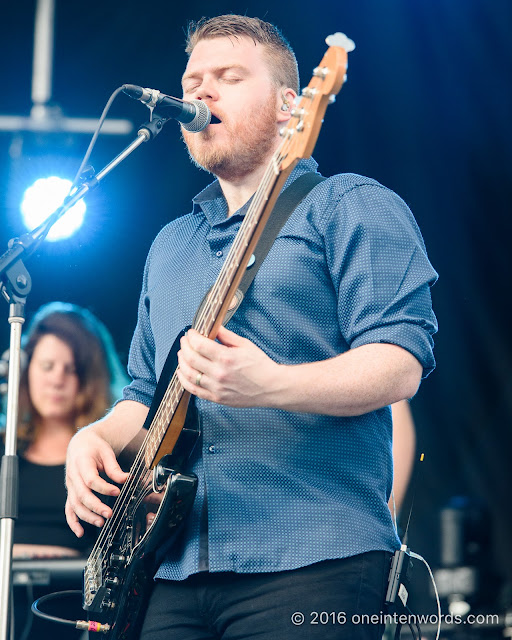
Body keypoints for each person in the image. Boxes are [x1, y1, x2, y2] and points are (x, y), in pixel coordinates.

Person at [65, 14, 438, 639]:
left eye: (228, 77)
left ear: (292, 105)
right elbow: (144, 395)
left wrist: (268, 385)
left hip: (315, 559)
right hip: (170, 572)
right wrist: (94, 436)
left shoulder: (351, 205)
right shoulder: (170, 245)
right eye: (193, 79)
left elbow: (400, 360)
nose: (200, 93)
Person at [1, 302, 127, 638]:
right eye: (47, 366)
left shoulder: (110, 457)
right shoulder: (5, 449)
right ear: (25, 371)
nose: (57, 379)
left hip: (75, 612)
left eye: (70, 369)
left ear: (89, 378)